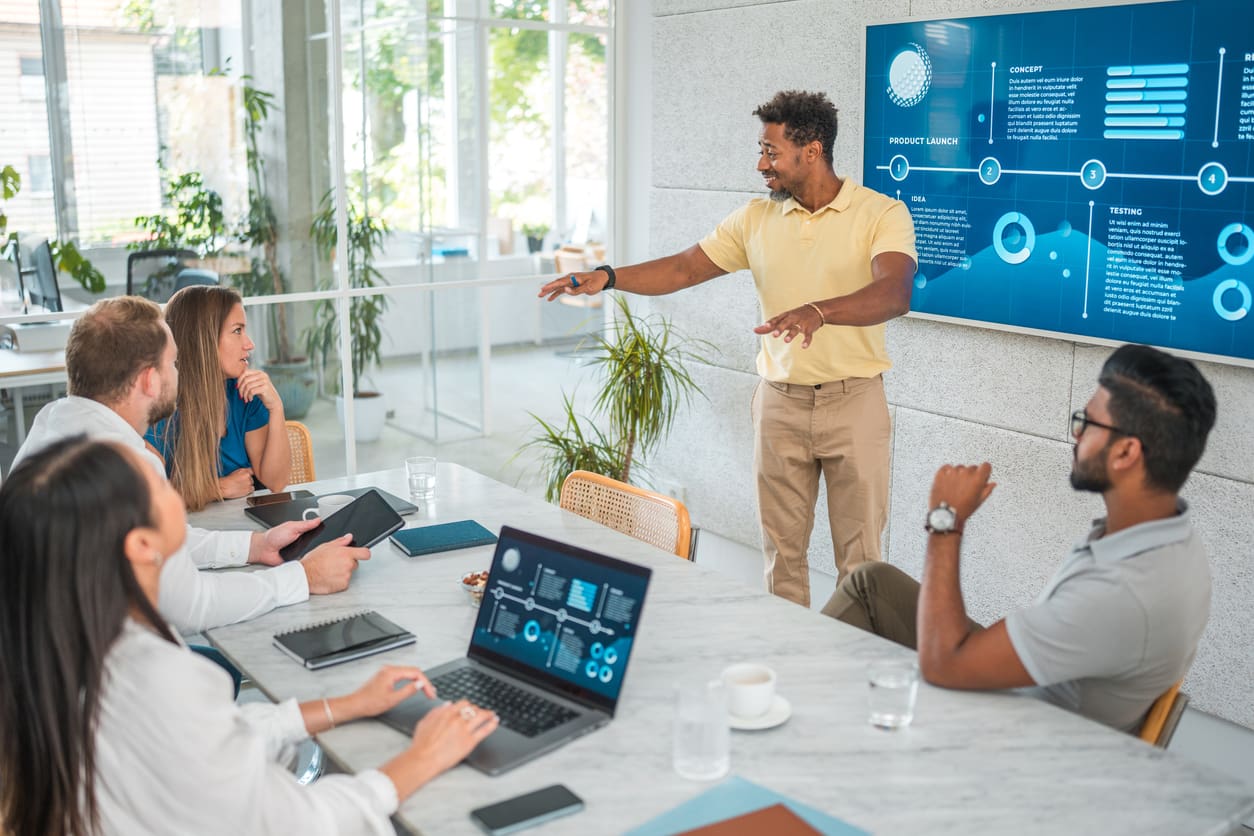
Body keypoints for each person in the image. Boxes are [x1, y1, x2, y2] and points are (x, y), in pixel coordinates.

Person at [0, 437, 499, 836]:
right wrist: (424, 756)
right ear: (142, 545)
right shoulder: (158, 679)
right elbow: (304, 823)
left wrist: (341, 706)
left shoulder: (62, 655)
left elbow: (205, 745)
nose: (168, 483)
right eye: (155, 485)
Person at [539, 90, 917, 607]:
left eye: (772, 151)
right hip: (780, 402)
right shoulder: (756, 219)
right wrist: (605, 277)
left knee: (860, 562)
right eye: (761, 151)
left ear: (813, 150)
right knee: (782, 557)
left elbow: (894, 292)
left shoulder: (881, 213)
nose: (762, 164)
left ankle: (854, 673)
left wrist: (819, 311)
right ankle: (785, 667)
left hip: (854, 402)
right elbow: (683, 268)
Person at [822, 343, 1217, 733]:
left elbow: (943, 665)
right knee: (870, 583)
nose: (1076, 436)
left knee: (885, 632)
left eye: (1088, 423)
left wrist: (947, 520)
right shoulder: (1172, 539)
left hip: (1019, 732)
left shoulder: (1119, 594)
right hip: (1041, 684)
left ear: (1127, 452)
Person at [13, 296, 367, 634]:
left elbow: (163, 543)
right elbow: (190, 607)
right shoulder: (127, 467)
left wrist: (256, 545)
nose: (180, 374)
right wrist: (303, 577)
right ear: (150, 380)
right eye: (175, 363)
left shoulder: (53, 421)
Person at [145, 285, 290, 510]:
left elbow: (276, 482)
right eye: (237, 331)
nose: (249, 344)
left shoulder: (246, 395)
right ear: (203, 339)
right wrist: (216, 489)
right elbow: (146, 501)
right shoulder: (157, 407)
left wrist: (276, 408)